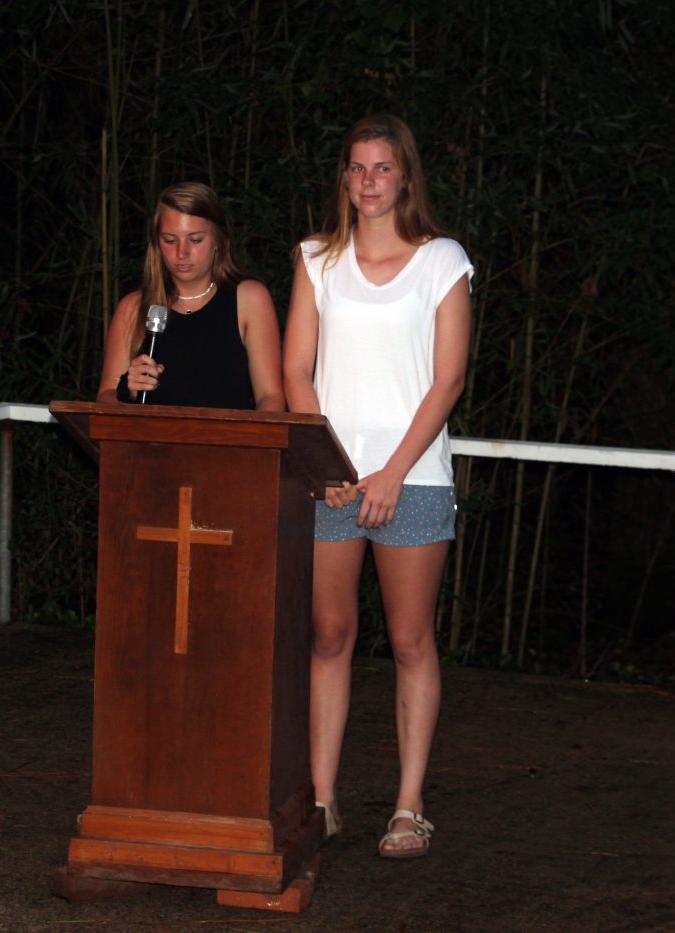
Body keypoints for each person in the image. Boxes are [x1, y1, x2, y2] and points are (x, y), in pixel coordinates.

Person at [282, 114, 472, 859]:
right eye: (357, 167)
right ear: (344, 178)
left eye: (382, 168)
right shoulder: (317, 259)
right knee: (328, 635)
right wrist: (328, 467)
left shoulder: (441, 261)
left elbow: (448, 379)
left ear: (405, 177)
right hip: (332, 483)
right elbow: (296, 370)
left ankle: (408, 806)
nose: (369, 181)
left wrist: (392, 473)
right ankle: (321, 800)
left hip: (412, 480)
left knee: (409, 639)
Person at [97, 182, 284, 411]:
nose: (181, 253)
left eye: (195, 240)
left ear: (218, 240)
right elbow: (104, 398)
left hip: (229, 434)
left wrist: (256, 433)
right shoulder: (133, 308)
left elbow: (271, 396)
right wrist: (127, 389)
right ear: (156, 243)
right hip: (154, 435)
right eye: (170, 240)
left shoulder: (249, 299)